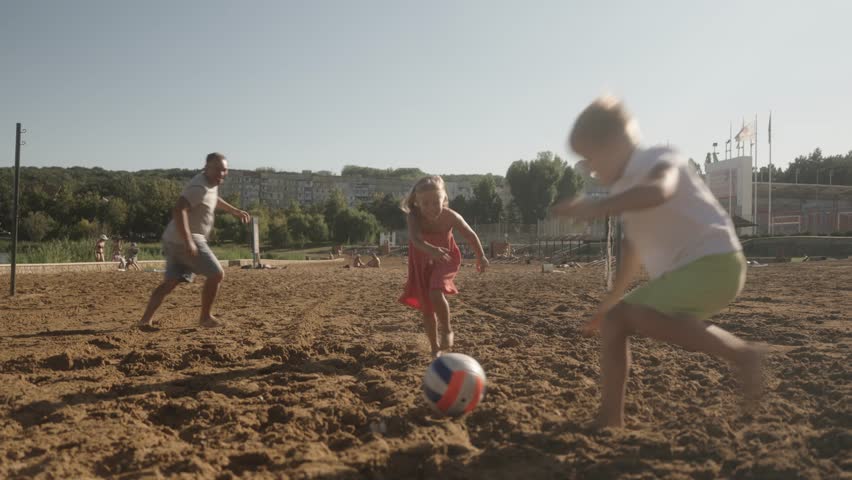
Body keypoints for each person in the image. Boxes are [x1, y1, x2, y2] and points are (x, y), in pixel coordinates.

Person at [552, 96, 764, 428]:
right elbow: (632, 250)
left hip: (714, 264)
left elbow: (659, 191)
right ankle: (610, 418)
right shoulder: (626, 188)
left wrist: (596, 207)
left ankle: (741, 355)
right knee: (616, 321)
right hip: (699, 270)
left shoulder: (659, 159)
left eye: (590, 158)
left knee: (630, 317)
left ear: (616, 143)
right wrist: (607, 304)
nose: (590, 169)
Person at [138, 152, 250, 329]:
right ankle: (205, 318)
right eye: (218, 170)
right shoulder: (199, 187)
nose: (222, 174)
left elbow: (213, 199)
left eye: (224, 170)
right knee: (216, 274)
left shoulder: (210, 184)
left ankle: (145, 320)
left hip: (173, 239)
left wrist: (234, 211)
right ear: (207, 167)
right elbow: (179, 209)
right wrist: (188, 240)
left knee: (170, 283)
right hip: (189, 238)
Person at [399, 175, 488, 358]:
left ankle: (447, 329)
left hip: (445, 258)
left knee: (435, 291)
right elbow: (415, 239)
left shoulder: (451, 217)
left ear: (444, 198)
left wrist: (481, 256)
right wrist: (430, 249)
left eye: (436, 202)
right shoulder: (414, 217)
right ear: (417, 202)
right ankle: (434, 347)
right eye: (426, 203)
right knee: (426, 309)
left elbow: (470, 235)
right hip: (421, 260)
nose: (431, 208)